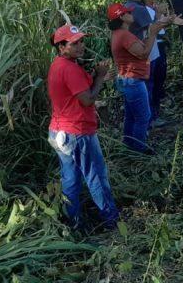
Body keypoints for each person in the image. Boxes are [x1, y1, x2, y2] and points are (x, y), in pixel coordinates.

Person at [47, 24, 119, 231]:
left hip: (59, 132)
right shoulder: (70, 69)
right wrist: (100, 77)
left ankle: (73, 223)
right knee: (96, 176)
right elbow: (87, 99)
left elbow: (78, 90)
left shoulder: (59, 64)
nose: (81, 46)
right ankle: (111, 221)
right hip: (77, 133)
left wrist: (98, 77)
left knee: (70, 179)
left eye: (81, 41)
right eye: (74, 43)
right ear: (61, 47)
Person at [109, 3, 166, 151]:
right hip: (133, 80)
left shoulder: (119, 34)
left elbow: (140, 48)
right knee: (143, 116)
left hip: (128, 79)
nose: (131, 14)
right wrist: (153, 34)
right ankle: (139, 149)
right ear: (122, 17)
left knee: (131, 115)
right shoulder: (124, 35)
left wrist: (152, 31)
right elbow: (143, 53)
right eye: (128, 13)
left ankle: (128, 144)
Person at [142, 0, 169, 125]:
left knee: (159, 78)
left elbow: (162, 26)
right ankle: (151, 116)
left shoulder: (155, 8)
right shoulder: (143, 11)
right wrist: (159, 15)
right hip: (152, 46)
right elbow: (151, 29)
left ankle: (156, 112)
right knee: (151, 81)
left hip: (160, 45)